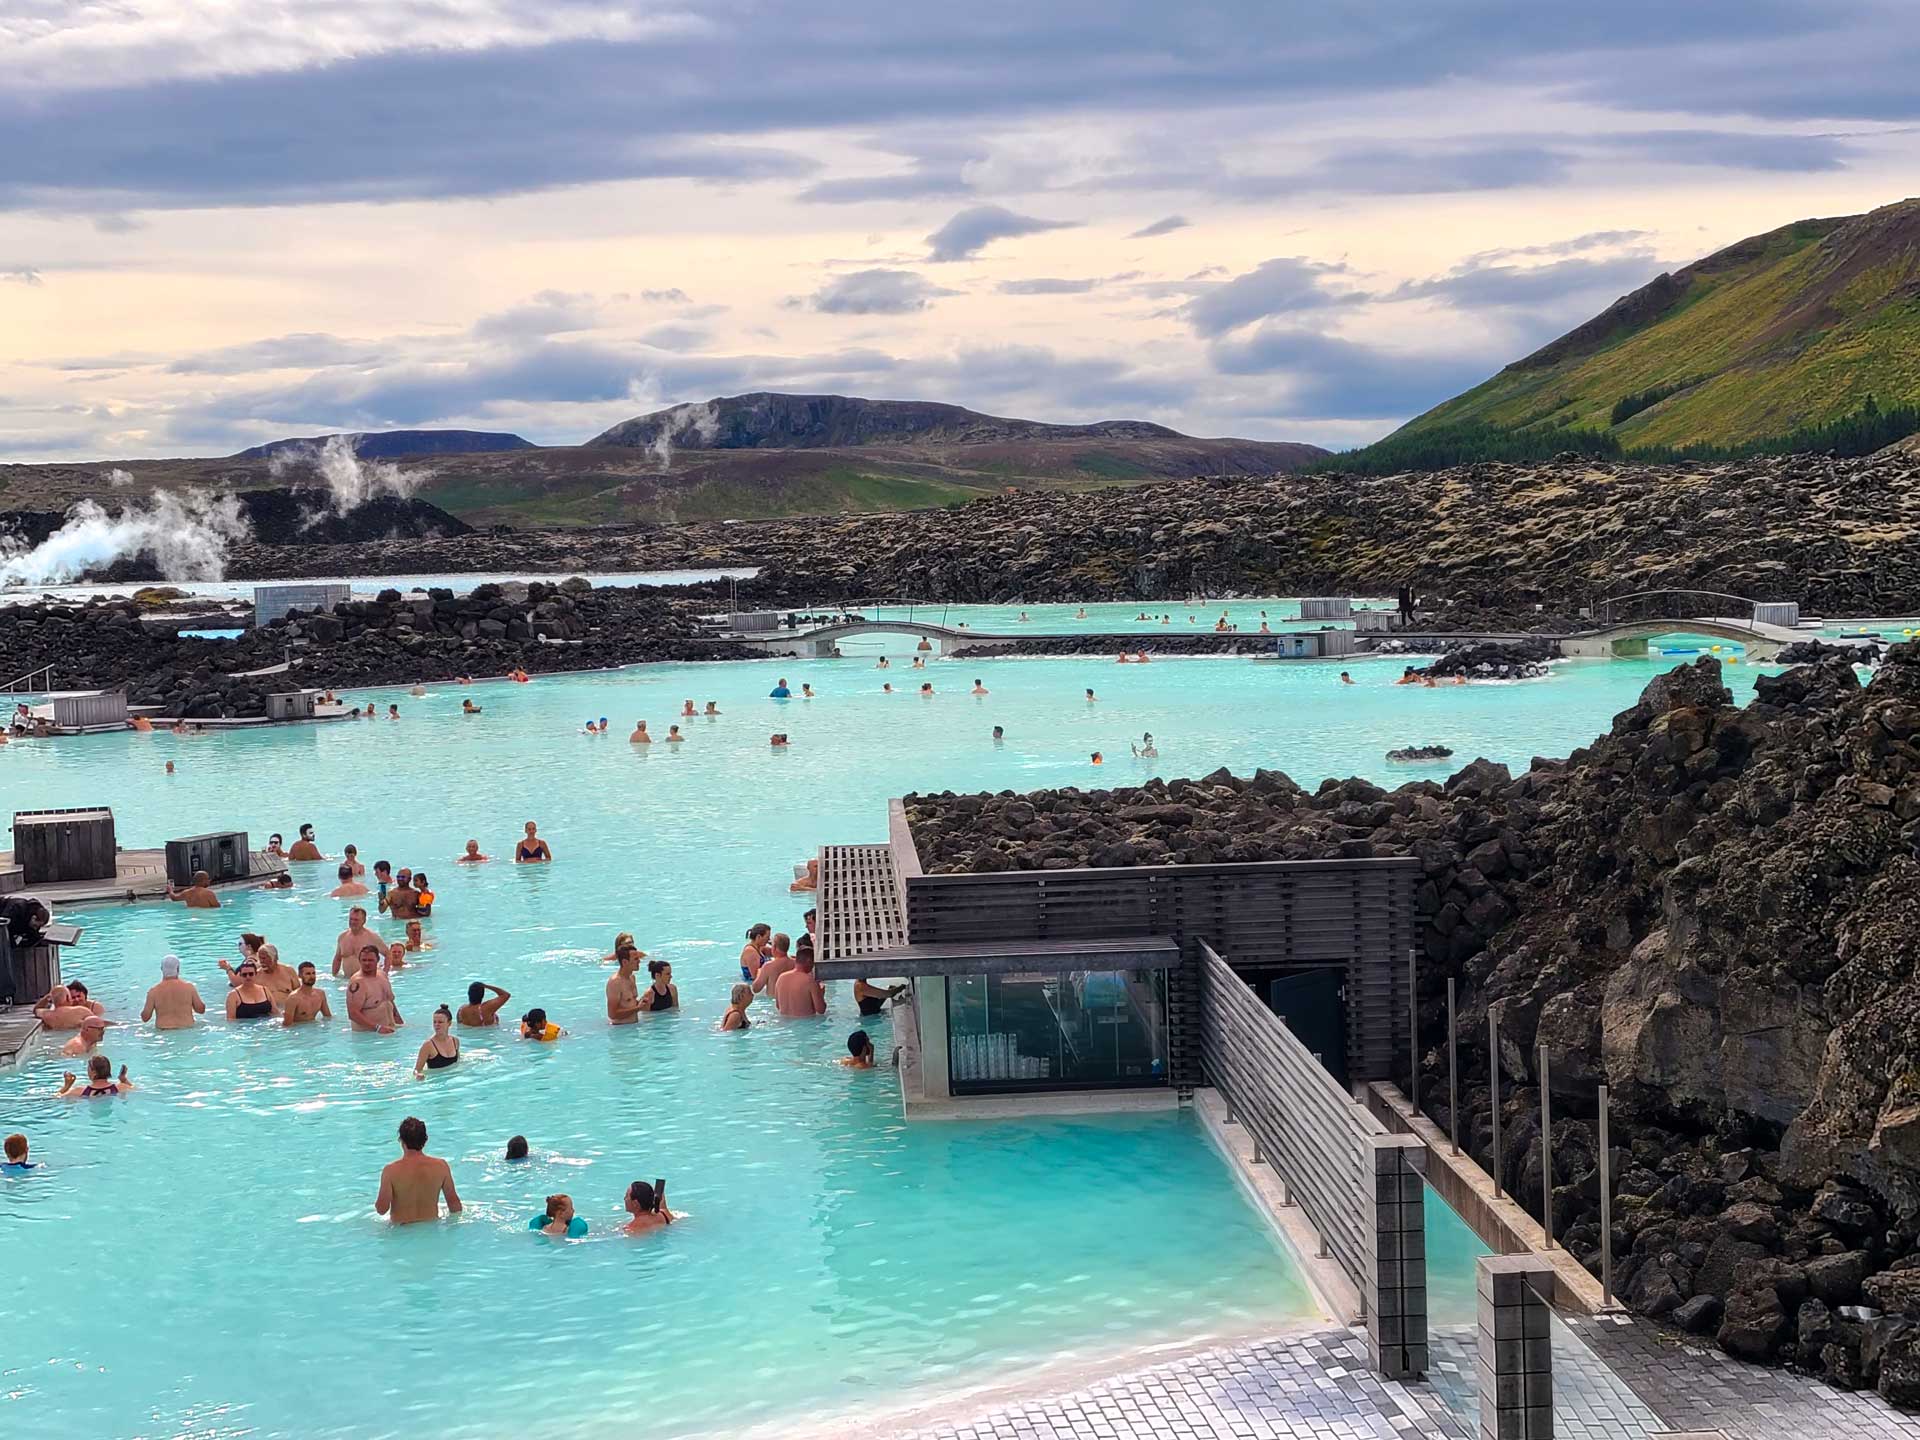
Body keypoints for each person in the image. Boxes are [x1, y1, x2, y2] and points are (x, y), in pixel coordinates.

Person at [375, 1116, 461, 1225]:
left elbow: (381, 1210)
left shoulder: (390, 1171)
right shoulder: (441, 1166)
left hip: (401, 1232)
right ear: (425, 1140)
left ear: (401, 1140)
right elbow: (455, 1205)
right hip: (431, 1229)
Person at [346, 946, 403, 1033]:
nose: (367, 963)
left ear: (377, 960)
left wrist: (400, 1022)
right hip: (368, 1035)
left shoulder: (382, 976)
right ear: (359, 960)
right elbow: (353, 1013)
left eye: (370, 960)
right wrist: (378, 1028)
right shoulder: (357, 983)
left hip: (389, 1029)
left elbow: (389, 1001)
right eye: (364, 960)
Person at [142, 955, 206, 1029]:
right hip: (187, 1030)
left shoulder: (153, 991)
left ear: (162, 969)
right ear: (178, 969)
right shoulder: (189, 988)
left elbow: (145, 1018)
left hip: (163, 1032)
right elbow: (201, 1010)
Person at [333, 907, 382, 976]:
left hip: (366, 979)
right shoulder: (342, 937)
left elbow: (387, 955)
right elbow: (337, 959)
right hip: (346, 979)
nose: (353, 922)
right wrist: (334, 977)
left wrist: (384, 974)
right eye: (351, 919)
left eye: (356, 920)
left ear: (364, 921)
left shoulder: (372, 937)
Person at [58, 1055, 134, 1098]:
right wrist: (124, 1080)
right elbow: (136, 1090)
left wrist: (67, 1086)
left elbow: (57, 1097)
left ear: (93, 1072)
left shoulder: (79, 1091)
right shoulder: (121, 1087)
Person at [414, 1006, 460, 1077]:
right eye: (434, 1022)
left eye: (440, 1022)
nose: (436, 1025)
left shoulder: (455, 1041)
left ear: (449, 1023)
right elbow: (416, 1070)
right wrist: (418, 1075)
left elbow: (458, 1063)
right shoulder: (428, 1045)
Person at [606, 947, 643, 1025]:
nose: (639, 961)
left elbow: (629, 1003)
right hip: (620, 1030)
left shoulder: (632, 978)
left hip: (633, 1028)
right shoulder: (615, 982)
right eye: (636, 959)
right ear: (625, 962)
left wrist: (642, 1002)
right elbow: (612, 1015)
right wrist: (638, 1008)